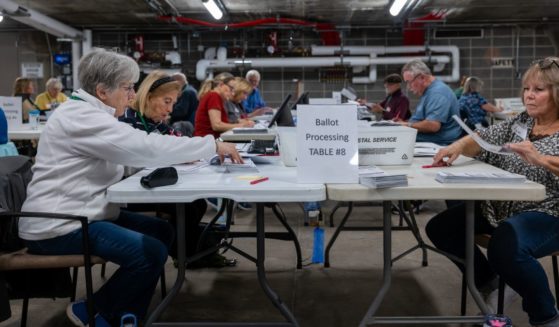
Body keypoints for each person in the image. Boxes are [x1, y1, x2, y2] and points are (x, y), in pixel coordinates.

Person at [18, 48, 242, 326]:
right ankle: (92, 311)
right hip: (59, 224)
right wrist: (211, 145)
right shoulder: (82, 118)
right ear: (102, 91)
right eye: (127, 88)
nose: (132, 95)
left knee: (162, 231)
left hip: (86, 211)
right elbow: (143, 146)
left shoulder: (91, 113)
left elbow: (128, 152)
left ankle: (128, 313)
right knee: (150, 252)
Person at [425, 57, 559, 326]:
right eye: (526, 89)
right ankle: (493, 284)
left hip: (548, 210)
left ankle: (546, 315)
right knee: (441, 228)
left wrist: (539, 159)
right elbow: (482, 139)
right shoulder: (521, 122)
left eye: (538, 90)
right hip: (502, 206)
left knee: (506, 245)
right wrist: (457, 147)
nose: (529, 96)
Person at [119, 70, 237, 267]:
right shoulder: (128, 121)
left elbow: (180, 142)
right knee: (190, 206)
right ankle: (185, 255)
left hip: (150, 186)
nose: (170, 110)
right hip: (130, 193)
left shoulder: (156, 122)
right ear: (148, 96)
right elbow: (144, 155)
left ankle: (188, 253)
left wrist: (184, 152)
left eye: (173, 103)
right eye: (166, 101)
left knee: (197, 203)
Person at [400, 59, 462, 145]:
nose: (408, 87)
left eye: (409, 82)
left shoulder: (437, 93)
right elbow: (421, 120)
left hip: (438, 145)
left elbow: (433, 125)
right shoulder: (428, 92)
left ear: (422, 77)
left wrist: (406, 125)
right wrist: (403, 123)